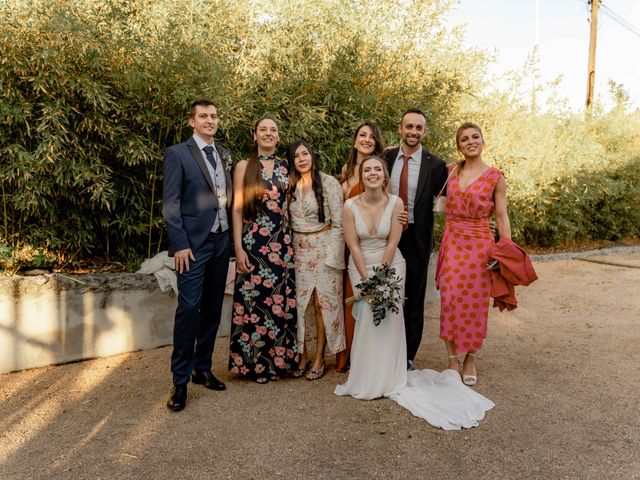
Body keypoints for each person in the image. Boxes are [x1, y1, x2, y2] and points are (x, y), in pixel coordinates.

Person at [334, 156, 494, 430]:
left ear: (385, 177)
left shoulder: (396, 204)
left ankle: (391, 376)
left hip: (391, 265)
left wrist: (382, 276)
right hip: (360, 267)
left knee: (388, 322)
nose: (373, 173)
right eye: (367, 170)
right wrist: (366, 279)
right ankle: (365, 377)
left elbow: (394, 240)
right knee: (366, 322)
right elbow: (353, 245)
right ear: (362, 176)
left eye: (378, 170)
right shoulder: (349, 206)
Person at [162, 99, 231, 412]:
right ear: (192, 121)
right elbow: (171, 204)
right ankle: (179, 381)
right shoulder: (178, 154)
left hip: (221, 242)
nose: (210, 120)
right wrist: (180, 244)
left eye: (214, 116)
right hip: (192, 245)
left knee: (213, 307)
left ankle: (202, 368)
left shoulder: (224, 154)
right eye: (203, 116)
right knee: (189, 308)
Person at [436, 122, 511, 386]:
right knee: (449, 299)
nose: (470, 141)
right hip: (453, 241)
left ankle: (470, 357)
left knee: (475, 304)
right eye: (464, 138)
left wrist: (504, 251)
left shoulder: (495, 177)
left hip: (480, 245)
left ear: (482, 141)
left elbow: (501, 216)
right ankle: (452, 359)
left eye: (475, 137)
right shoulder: (449, 171)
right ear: (459, 145)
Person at [228, 116, 299, 384]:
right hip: (253, 243)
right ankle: (254, 365)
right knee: (253, 302)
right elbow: (236, 208)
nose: (268, 133)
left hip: (282, 245)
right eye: (263, 130)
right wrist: (238, 247)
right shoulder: (244, 167)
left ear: (278, 137)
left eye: (273, 130)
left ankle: (278, 363)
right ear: (254, 135)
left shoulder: (287, 167)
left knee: (279, 302)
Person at [383, 108, 448, 371]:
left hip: (417, 239)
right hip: (386, 236)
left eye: (418, 128)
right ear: (400, 129)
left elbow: (451, 193)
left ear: (425, 132)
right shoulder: (386, 157)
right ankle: (384, 350)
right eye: (408, 126)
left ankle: (408, 356)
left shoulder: (436, 165)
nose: (413, 132)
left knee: (413, 299)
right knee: (384, 293)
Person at [287, 140, 345, 380]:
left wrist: (333, 256)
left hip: (323, 248)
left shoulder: (329, 183)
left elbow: (339, 223)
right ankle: (303, 354)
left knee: (322, 304)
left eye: (305, 154)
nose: (302, 159)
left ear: (312, 155)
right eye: (297, 156)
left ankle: (320, 356)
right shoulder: (289, 185)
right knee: (301, 305)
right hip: (298, 251)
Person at [335, 122, 386, 373]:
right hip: (344, 243)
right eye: (362, 135)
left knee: (362, 295)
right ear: (355, 141)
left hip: (366, 244)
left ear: (376, 143)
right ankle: (347, 353)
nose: (366, 139)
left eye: (371, 137)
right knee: (345, 296)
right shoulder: (345, 171)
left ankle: (364, 354)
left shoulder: (378, 171)